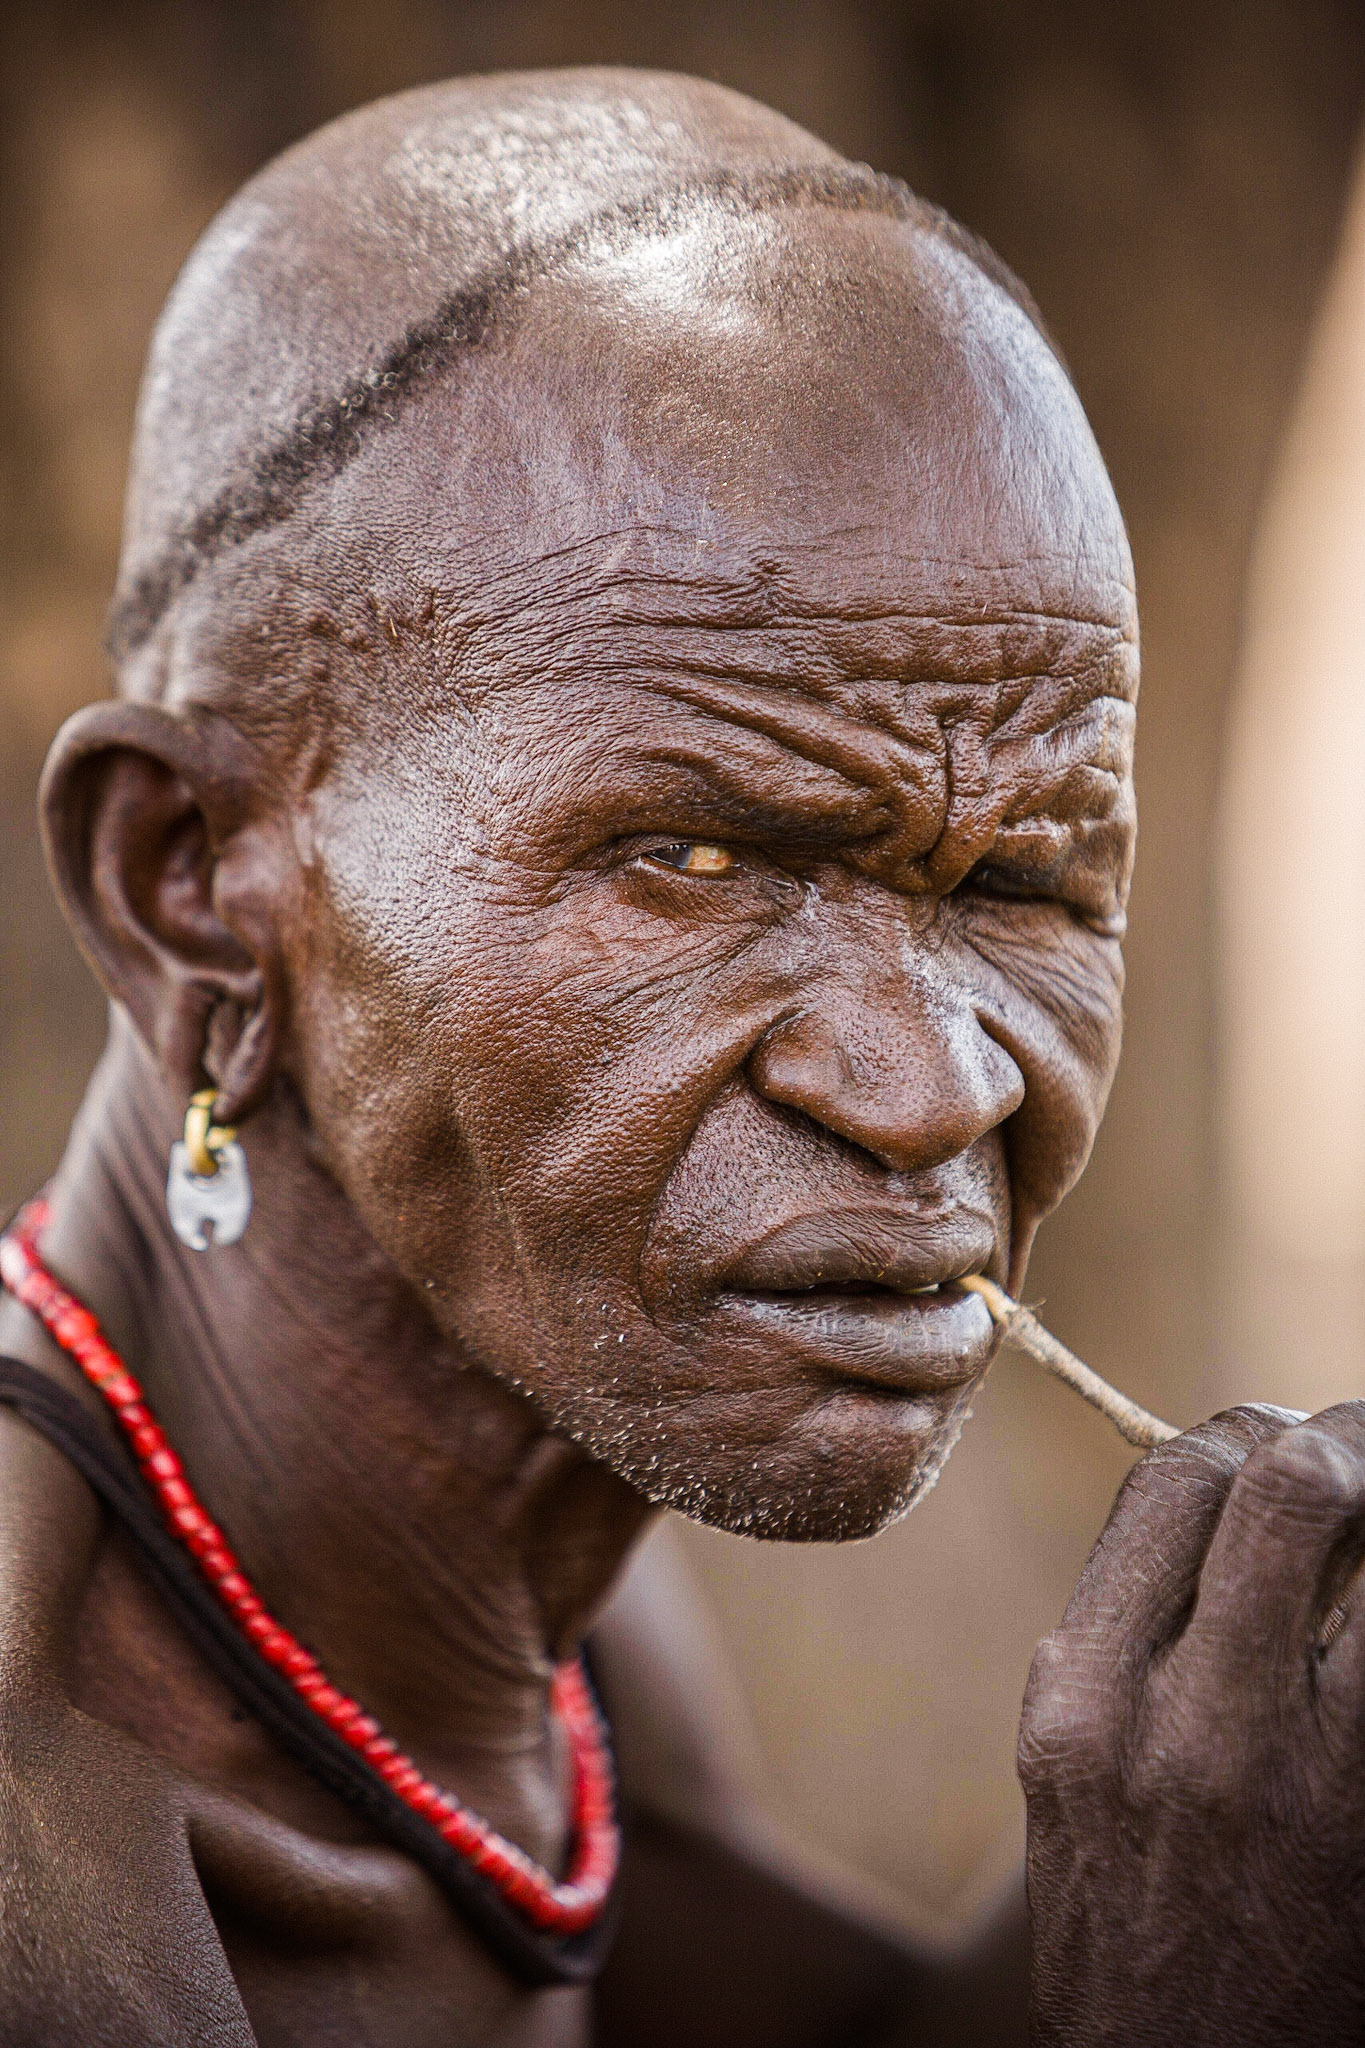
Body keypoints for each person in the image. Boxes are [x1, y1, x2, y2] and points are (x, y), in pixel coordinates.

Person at [1, 65, 1363, 2048]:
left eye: (1017, 881)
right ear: (189, 881)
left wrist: (1266, 1812)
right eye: (699, 861)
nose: (932, 1092)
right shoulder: (50, 1874)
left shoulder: (505, 1487)